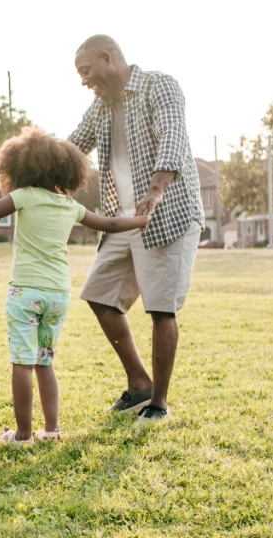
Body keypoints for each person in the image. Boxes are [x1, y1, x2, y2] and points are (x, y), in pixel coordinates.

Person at [0, 126, 150, 446]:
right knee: (44, 360)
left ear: (18, 168)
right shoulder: (68, 204)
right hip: (58, 295)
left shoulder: (24, 196)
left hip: (26, 292)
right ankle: (51, 430)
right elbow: (109, 225)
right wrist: (140, 220)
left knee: (22, 364)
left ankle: (23, 434)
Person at [68, 35, 204, 424]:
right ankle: (139, 382)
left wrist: (157, 190)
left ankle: (158, 402)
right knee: (99, 294)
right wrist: (22, 177)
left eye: (86, 71)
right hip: (122, 218)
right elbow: (71, 149)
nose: (83, 81)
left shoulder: (158, 85)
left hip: (167, 213)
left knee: (161, 309)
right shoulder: (101, 106)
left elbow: (172, 137)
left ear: (107, 58)